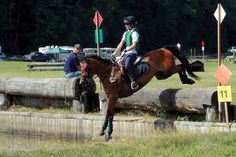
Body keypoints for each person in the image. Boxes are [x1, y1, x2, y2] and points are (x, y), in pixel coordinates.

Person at [110, 16, 140, 90]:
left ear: (132, 25)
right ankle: (114, 77)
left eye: (126, 24)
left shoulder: (135, 33)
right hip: (126, 53)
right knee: (115, 63)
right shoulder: (126, 33)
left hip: (132, 53)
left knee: (127, 65)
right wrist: (114, 53)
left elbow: (134, 45)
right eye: (125, 24)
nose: (125, 25)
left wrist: (127, 50)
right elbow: (121, 44)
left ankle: (133, 81)